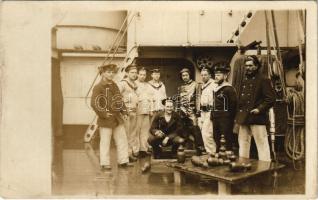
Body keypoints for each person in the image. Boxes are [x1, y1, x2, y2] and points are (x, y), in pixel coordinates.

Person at [90, 64, 133, 171]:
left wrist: (124, 111)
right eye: (108, 72)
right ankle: (105, 163)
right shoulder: (98, 87)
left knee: (122, 140)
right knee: (105, 141)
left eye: (113, 72)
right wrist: (104, 114)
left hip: (117, 118)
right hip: (105, 119)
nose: (111, 74)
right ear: (103, 73)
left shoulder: (114, 85)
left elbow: (119, 99)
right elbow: (94, 103)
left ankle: (123, 161)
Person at [235, 55, 276, 161]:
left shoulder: (263, 80)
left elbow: (270, 99)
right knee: (243, 142)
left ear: (256, 66)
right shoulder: (243, 80)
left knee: (261, 143)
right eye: (246, 66)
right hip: (243, 117)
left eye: (250, 65)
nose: (248, 68)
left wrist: (259, 109)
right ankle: (243, 165)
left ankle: (265, 166)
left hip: (256, 117)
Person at [177, 68, 206, 155]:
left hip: (192, 111)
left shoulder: (196, 85)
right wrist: (178, 110)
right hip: (182, 112)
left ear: (189, 75)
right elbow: (179, 100)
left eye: (186, 75)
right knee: (182, 130)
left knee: (195, 129)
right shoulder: (181, 87)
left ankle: (200, 148)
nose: (184, 77)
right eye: (183, 75)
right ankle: (183, 148)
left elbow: (198, 98)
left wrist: (197, 111)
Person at [210, 62, 237, 153]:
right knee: (216, 138)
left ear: (225, 76)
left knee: (225, 139)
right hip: (216, 118)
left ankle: (227, 158)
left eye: (218, 75)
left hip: (225, 119)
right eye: (215, 75)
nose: (216, 77)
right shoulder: (217, 88)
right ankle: (219, 158)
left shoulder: (229, 89)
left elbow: (233, 105)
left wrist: (229, 118)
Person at [118, 64, 139, 161]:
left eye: (135, 72)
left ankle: (130, 153)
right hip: (125, 112)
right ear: (127, 73)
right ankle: (125, 155)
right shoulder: (123, 83)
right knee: (125, 134)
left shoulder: (135, 84)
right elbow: (117, 98)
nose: (134, 74)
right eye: (132, 72)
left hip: (134, 111)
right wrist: (122, 110)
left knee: (132, 134)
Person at [199, 67, 217, 154]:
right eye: (202, 75)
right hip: (203, 112)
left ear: (210, 75)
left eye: (205, 75)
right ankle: (209, 152)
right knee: (204, 132)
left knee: (207, 134)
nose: (203, 76)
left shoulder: (214, 84)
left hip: (210, 111)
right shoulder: (203, 85)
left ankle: (211, 153)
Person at [135, 67, 152, 157]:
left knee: (145, 131)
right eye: (141, 74)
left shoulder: (147, 85)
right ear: (137, 74)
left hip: (146, 110)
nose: (142, 76)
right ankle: (136, 150)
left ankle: (143, 149)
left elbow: (150, 98)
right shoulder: (134, 84)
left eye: (144, 75)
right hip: (138, 110)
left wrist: (150, 110)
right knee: (137, 130)